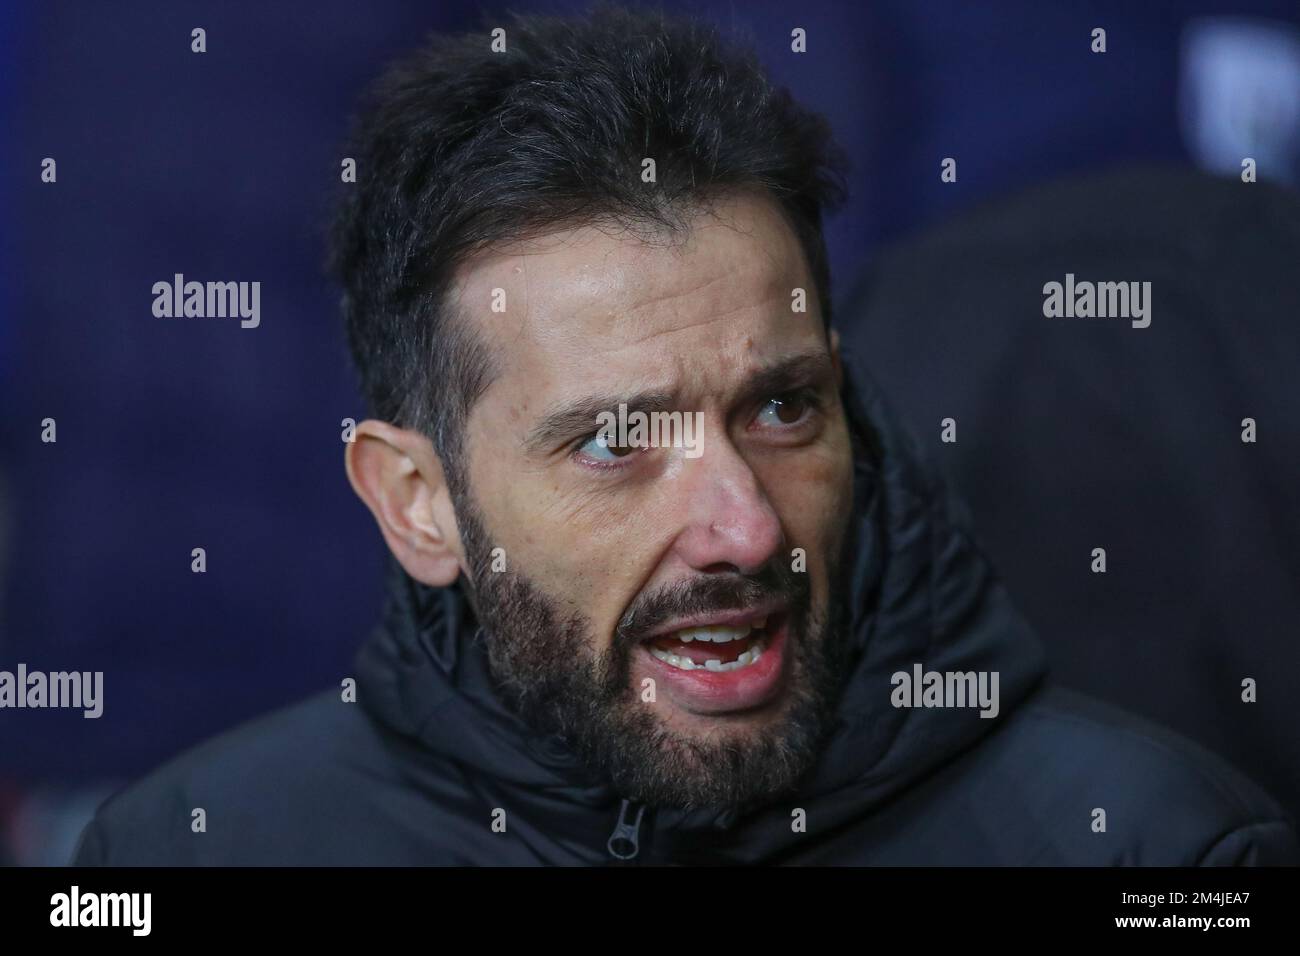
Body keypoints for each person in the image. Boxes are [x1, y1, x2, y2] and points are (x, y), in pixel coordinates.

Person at [73, 6, 1296, 866]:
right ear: (417, 502)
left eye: (779, 407)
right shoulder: (189, 847)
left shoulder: (1160, 846)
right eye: (613, 441)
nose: (742, 524)